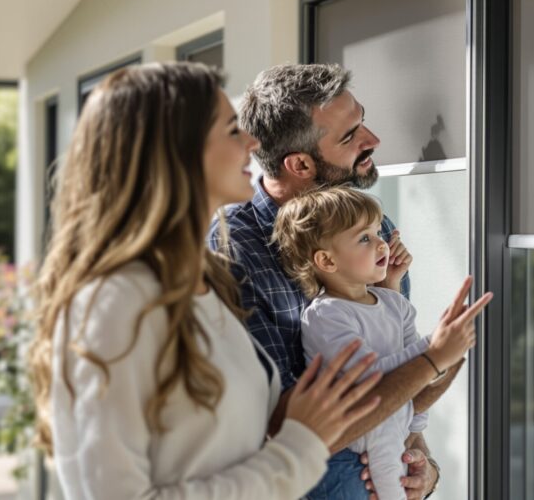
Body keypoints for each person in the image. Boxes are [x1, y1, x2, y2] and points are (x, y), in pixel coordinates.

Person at [28, 62, 384, 499]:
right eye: (233, 130)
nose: (253, 144)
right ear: (177, 152)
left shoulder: (204, 280)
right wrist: (299, 450)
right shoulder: (113, 303)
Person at [213, 63, 479, 499]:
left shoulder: (370, 228)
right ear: (299, 163)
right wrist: (432, 361)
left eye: (362, 120)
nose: (372, 140)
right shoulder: (232, 256)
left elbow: (394, 373)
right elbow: (280, 431)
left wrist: (421, 466)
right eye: (349, 135)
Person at [273, 187, 490, 500]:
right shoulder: (325, 315)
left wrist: (414, 435)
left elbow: (415, 376)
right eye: (364, 238)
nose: (381, 242)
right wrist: (434, 348)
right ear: (327, 261)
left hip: (395, 426)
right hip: (358, 435)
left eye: (377, 232)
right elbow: (369, 378)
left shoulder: (394, 303)